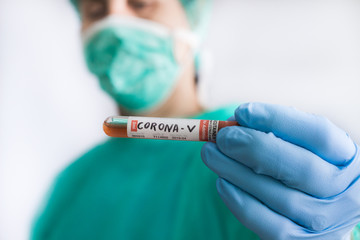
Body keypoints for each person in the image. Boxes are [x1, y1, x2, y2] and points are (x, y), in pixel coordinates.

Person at [31, 0, 360, 239]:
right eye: (96, 11)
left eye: (141, 4)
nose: (115, 21)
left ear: (192, 20)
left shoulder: (246, 160)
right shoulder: (71, 184)